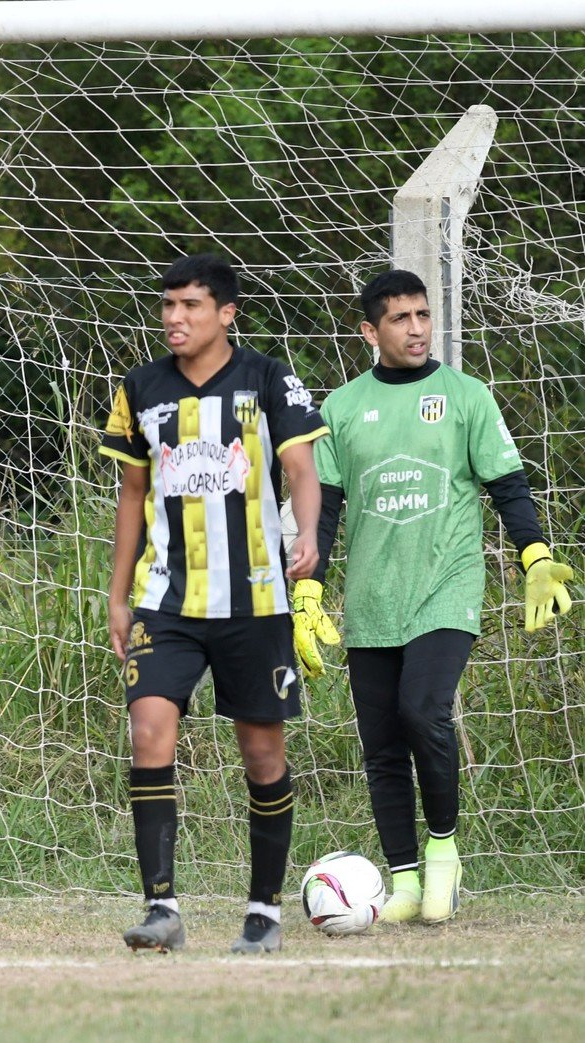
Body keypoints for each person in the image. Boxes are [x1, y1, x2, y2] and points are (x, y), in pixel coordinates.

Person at [296, 269, 573, 923]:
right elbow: (323, 510)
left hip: (447, 584)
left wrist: (533, 554)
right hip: (371, 598)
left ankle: (443, 851)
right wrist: (308, 588)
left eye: (422, 314)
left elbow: (507, 485)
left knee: (422, 710)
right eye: (400, 318)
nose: (417, 328)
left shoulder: (465, 396)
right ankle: (404, 881)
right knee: (381, 744)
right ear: (370, 331)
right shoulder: (340, 409)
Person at [100, 253, 327, 954]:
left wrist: (307, 533)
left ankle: (263, 911)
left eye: (190, 305)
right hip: (165, 600)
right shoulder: (139, 388)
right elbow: (132, 494)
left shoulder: (268, 378)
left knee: (261, 754)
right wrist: (117, 595)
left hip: (255, 602)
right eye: (167, 305)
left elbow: (300, 469)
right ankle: (161, 907)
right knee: (148, 731)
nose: (174, 318)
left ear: (226, 313)